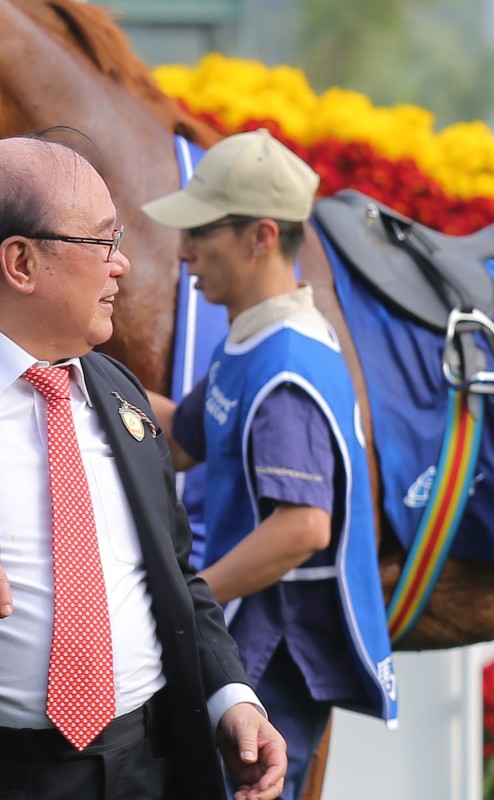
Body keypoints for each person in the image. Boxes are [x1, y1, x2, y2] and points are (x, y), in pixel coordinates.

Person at [0, 133, 286, 800]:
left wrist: (231, 700)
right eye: (101, 242)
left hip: (151, 764)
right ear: (21, 262)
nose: (121, 265)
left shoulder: (120, 394)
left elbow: (176, 574)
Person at [141, 128, 398, 800]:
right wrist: (80, 365)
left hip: (269, 655)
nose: (183, 250)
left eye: (200, 231)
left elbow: (304, 528)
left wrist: (185, 604)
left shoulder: (284, 364)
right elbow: (181, 437)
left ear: (260, 236)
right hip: (250, 644)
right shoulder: (254, 337)